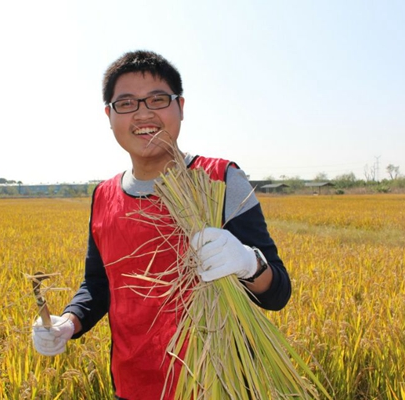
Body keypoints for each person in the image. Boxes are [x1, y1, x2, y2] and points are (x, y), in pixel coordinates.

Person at [32, 50, 291, 400]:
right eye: (126, 103)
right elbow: (98, 284)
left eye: (157, 99)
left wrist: (248, 262)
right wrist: (68, 322)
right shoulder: (104, 196)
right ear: (109, 115)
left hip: (220, 384)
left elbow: (277, 292)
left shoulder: (219, 179)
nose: (143, 113)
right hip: (134, 385)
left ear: (181, 106)